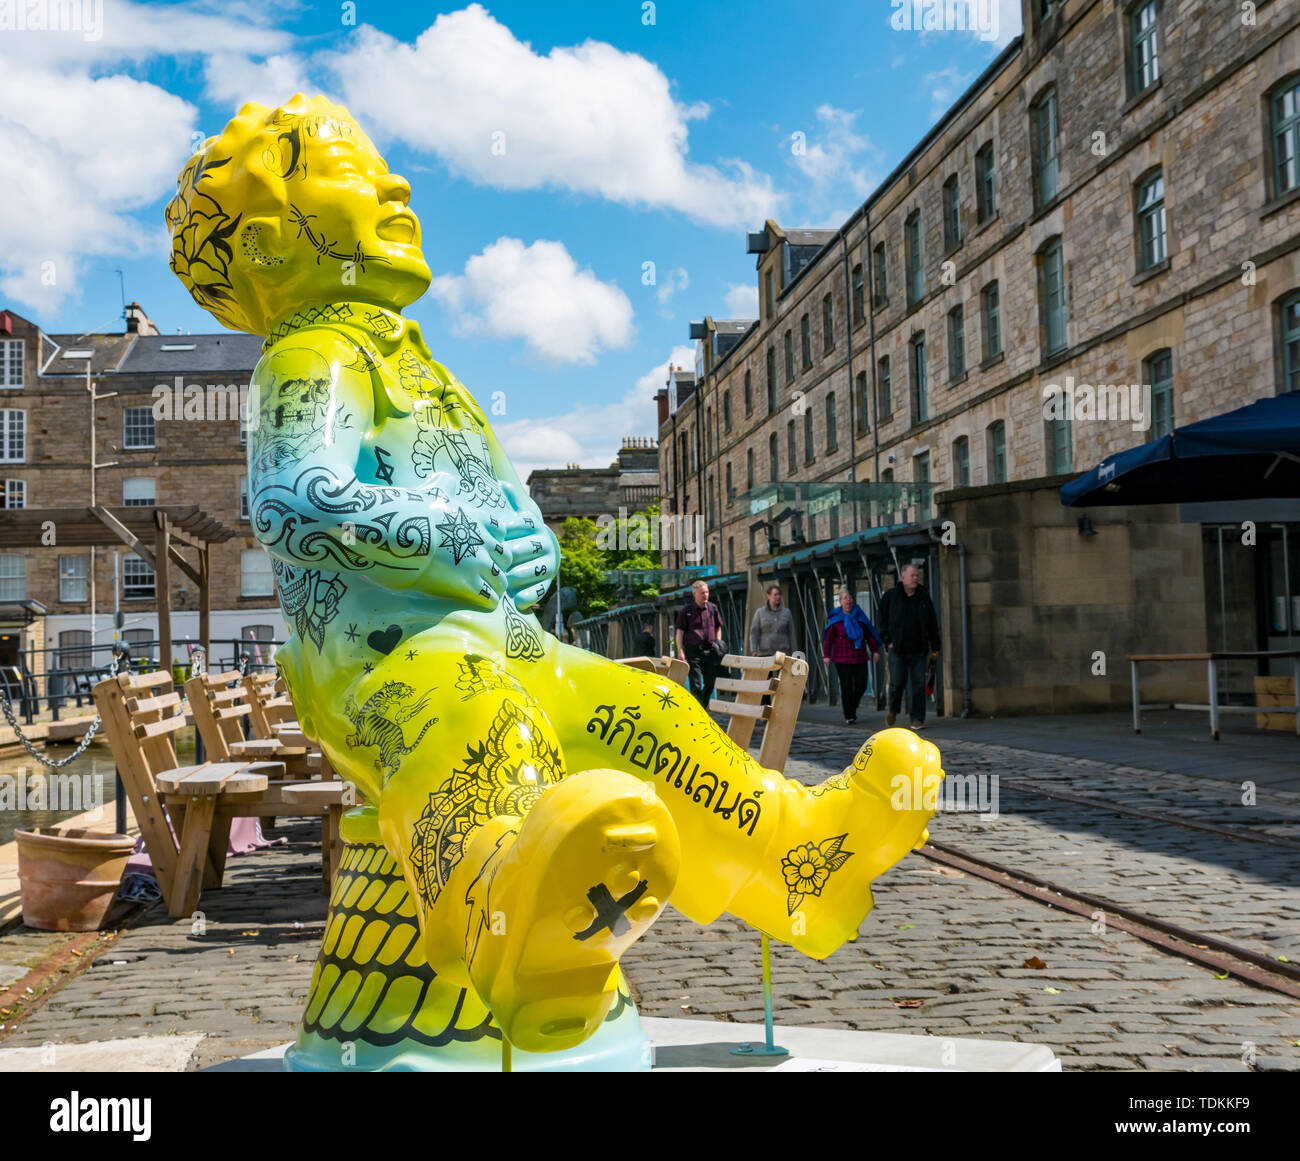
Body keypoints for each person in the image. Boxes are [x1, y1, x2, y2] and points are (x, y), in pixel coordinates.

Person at [165, 94, 943, 1066]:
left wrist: (521, 542)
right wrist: (450, 535)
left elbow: (498, 512)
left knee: (642, 711)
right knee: (468, 719)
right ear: (276, 248)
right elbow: (297, 500)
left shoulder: (412, 365)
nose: (397, 185)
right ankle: (502, 911)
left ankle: (800, 857)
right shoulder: (311, 354)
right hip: (382, 659)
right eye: (356, 176)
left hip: (498, 639)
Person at [879, 564, 941, 730]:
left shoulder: (923, 597)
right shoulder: (891, 596)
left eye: (917, 575)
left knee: (919, 685)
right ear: (903, 577)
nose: (916, 578)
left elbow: (932, 623)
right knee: (897, 682)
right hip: (897, 649)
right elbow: (882, 620)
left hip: (919, 649)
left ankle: (917, 718)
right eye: (913, 575)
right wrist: (887, 640)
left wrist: (936, 646)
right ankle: (893, 709)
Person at [822, 589, 881, 725]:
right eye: (845, 598)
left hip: (859, 656)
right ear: (840, 602)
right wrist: (826, 656)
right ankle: (849, 714)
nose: (848, 601)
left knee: (861, 684)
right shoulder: (835, 620)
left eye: (850, 598)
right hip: (842, 658)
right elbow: (829, 640)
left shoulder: (860, 616)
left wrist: (875, 651)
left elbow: (869, 635)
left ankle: (852, 706)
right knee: (846, 686)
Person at [675, 579, 724, 708]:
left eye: (707, 592)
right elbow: (679, 632)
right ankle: (699, 709)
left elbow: (719, 626)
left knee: (710, 682)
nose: (706, 595)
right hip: (693, 651)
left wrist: (718, 641)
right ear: (694, 594)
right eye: (702, 593)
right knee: (695, 684)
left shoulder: (713, 608)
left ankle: (702, 706)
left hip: (710, 650)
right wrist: (680, 650)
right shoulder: (686, 611)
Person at [749, 584, 796, 656]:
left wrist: (794, 653)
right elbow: (754, 633)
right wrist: (753, 650)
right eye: (775, 595)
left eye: (779, 594)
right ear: (768, 596)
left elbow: (792, 634)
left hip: (783, 654)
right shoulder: (760, 612)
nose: (778, 597)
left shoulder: (787, 613)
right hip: (765, 654)